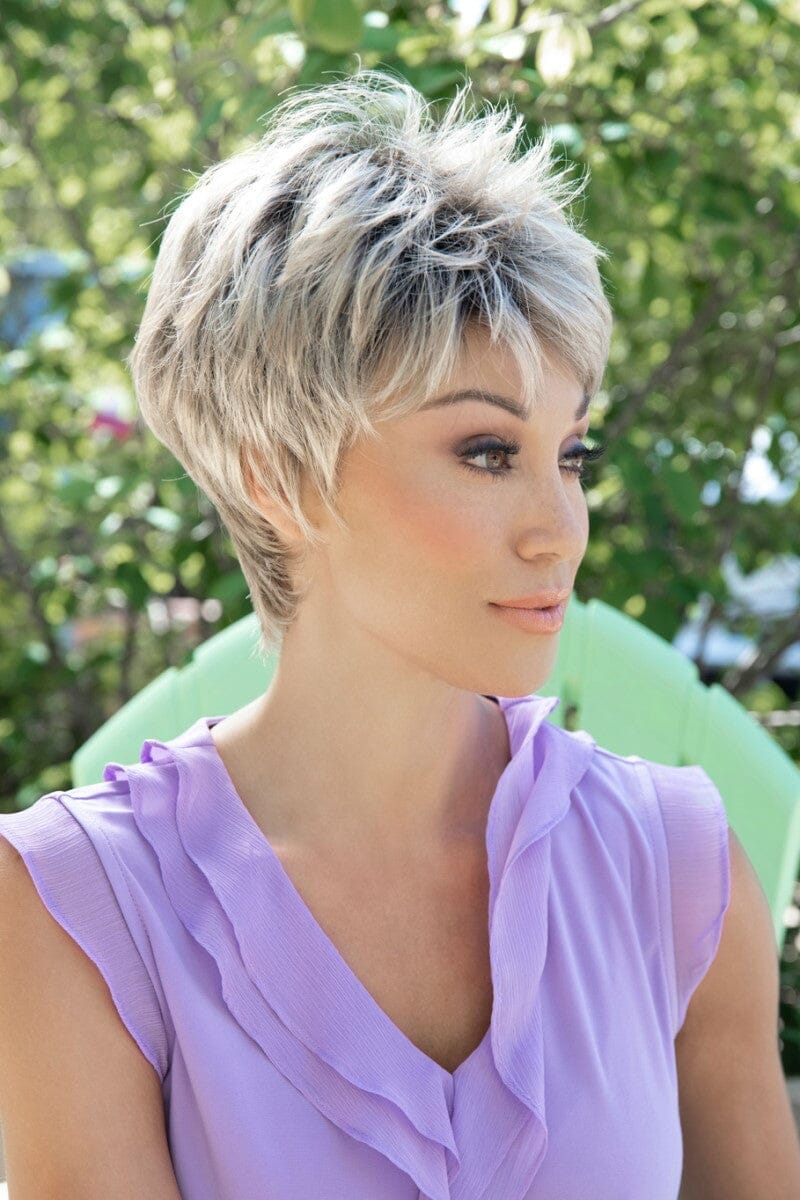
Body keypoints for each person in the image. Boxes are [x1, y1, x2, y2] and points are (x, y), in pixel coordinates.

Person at [0, 67, 797, 1200]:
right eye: (487, 453)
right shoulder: (81, 903)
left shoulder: (673, 865)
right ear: (276, 476)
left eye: (570, 454)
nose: (558, 528)